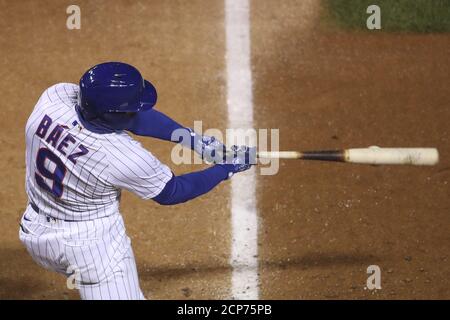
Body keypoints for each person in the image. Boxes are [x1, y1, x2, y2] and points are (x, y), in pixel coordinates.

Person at [19, 62, 254, 300]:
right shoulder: (123, 157)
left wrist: (191, 139)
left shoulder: (54, 98)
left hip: (35, 232)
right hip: (90, 249)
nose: (136, 112)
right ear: (115, 114)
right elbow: (173, 191)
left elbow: (125, 117)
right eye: (131, 108)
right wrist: (227, 167)